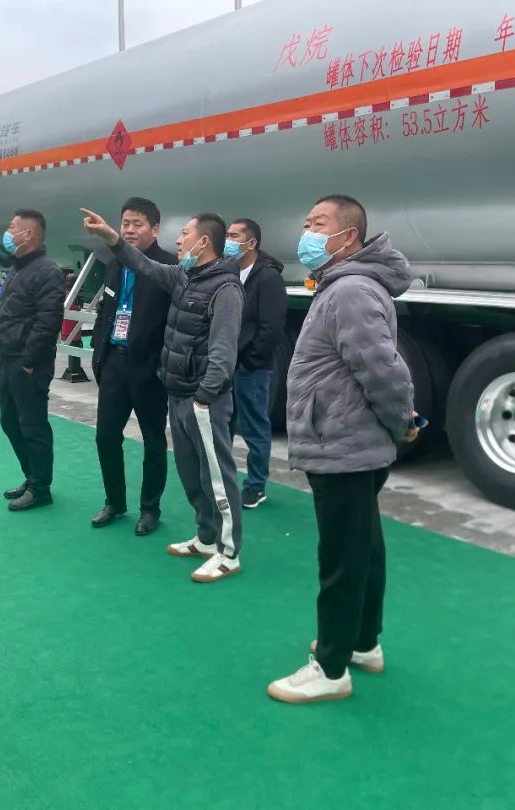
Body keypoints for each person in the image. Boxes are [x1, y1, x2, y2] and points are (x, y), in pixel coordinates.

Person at [267, 194, 418, 704]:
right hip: (348, 440)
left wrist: (403, 419)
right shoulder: (343, 285)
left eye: (317, 224)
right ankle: (362, 643)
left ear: (347, 236)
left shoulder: (350, 289)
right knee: (363, 547)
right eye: (306, 222)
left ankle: (331, 669)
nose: (306, 233)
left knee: (342, 558)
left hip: (343, 443)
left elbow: (381, 367)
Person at [81, 207, 245, 583]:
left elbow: (223, 353)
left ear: (204, 242)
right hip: (178, 392)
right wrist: (110, 236)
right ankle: (206, 537)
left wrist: (204, 397)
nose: (178, 240)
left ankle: (228, 553)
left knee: (216, 476)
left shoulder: (225, 289)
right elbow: (143, 264)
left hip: (204, 399)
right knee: (190, 472)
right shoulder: (184, 276)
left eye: (185, 233)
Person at [89, 197, 176, 537]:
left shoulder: (167, 267)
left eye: (137, 224)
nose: (128, 230)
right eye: (125, 223)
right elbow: (105, 312)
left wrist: (162, 365)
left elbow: (174, 323)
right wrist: (99, 353)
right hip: (114, 362)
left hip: (149, 369)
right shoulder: (114, 264)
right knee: (105, 437)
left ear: (155, 229)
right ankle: (114, 502)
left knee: (153, 441)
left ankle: (150, 509)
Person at [0, 209, 66, 512]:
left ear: (29, 235)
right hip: (8, 357)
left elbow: (48, 322)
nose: (8, 233)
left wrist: (28, 360)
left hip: (28, 363)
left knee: (33, 425)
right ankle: (32, 475)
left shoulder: (48, 272)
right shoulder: (18, 268)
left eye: (13, 228)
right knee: (10, 421)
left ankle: (40, 488)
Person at [224, 218, 287, 508]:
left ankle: (256, 485)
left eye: (234, 236)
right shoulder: (229, 272)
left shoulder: (267, 277)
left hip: (251, 368)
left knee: (254, 426)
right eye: (227, 235)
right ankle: (222, 478)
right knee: (224, 424)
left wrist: (250, 361)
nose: (228, 241)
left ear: (251, 243)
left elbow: (271, 328)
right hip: (226, 364)